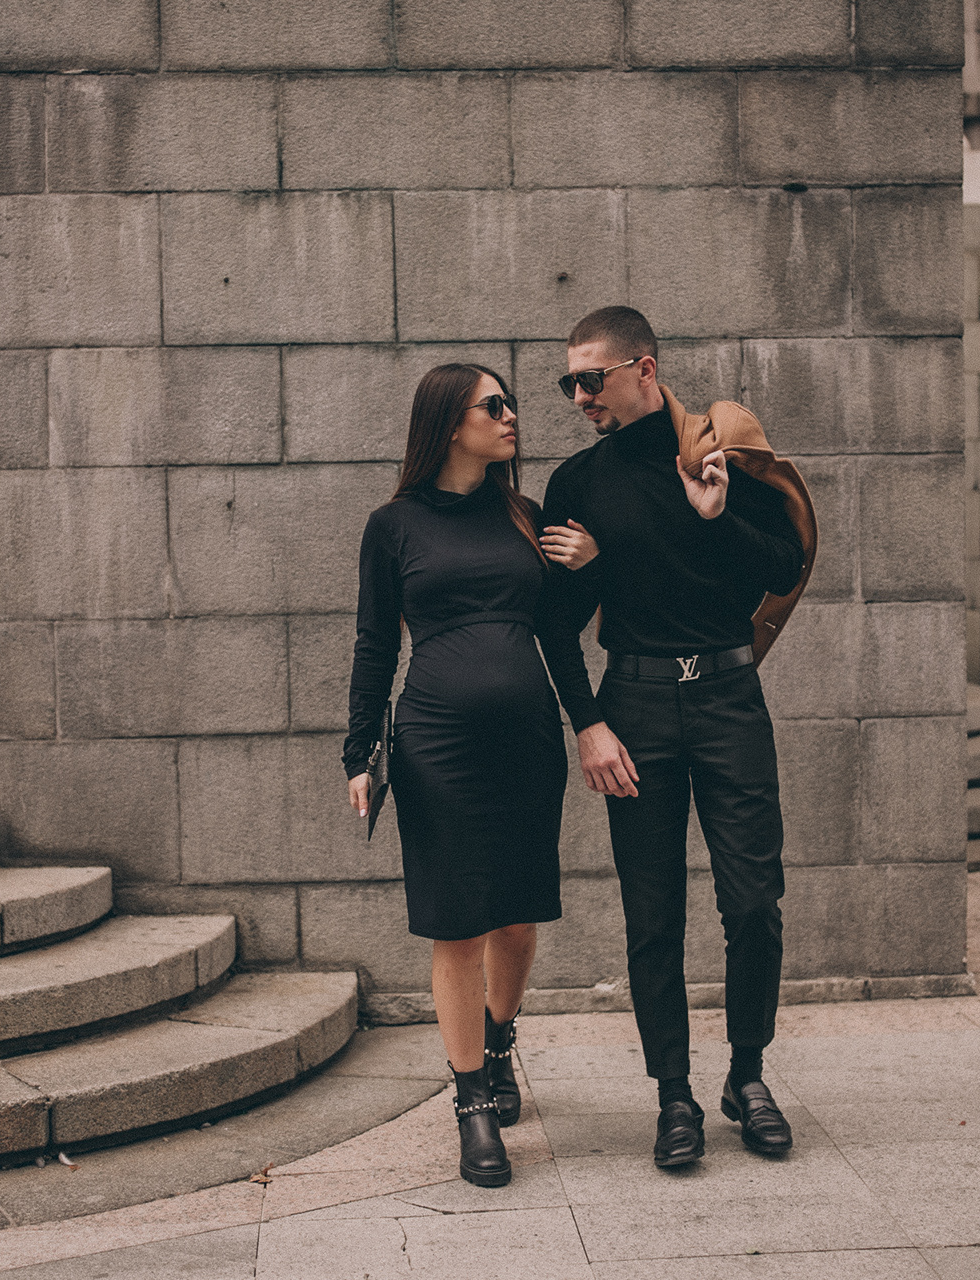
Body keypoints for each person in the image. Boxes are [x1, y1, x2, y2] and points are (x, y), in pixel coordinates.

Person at [538, 306, 811, 1169]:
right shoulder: (577, 483)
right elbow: (555, 624)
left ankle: (747, 1077)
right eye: (569, 383)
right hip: (636, 706)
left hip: (729, 697)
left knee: (754, 902)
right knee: (652, 914)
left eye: (592, 380)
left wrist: (715, 515)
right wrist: (589, 725)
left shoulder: (715, 452)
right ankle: (674, 1097)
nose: (579, 397)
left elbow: (782, 566)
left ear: (644, 370)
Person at [342, 362, 598, 1189]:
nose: (512, 414)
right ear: (451, 423)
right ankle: (472, 1105)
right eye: (495, 405)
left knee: (516, 920)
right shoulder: (393, 526)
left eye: (510, 402)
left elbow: (560, 633)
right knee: (456, 927)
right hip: (436, 747)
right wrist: (358, 753)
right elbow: (374, 643)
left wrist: (589, 718)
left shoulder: (525, 515)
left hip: (528, 742)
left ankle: (498, 1040)